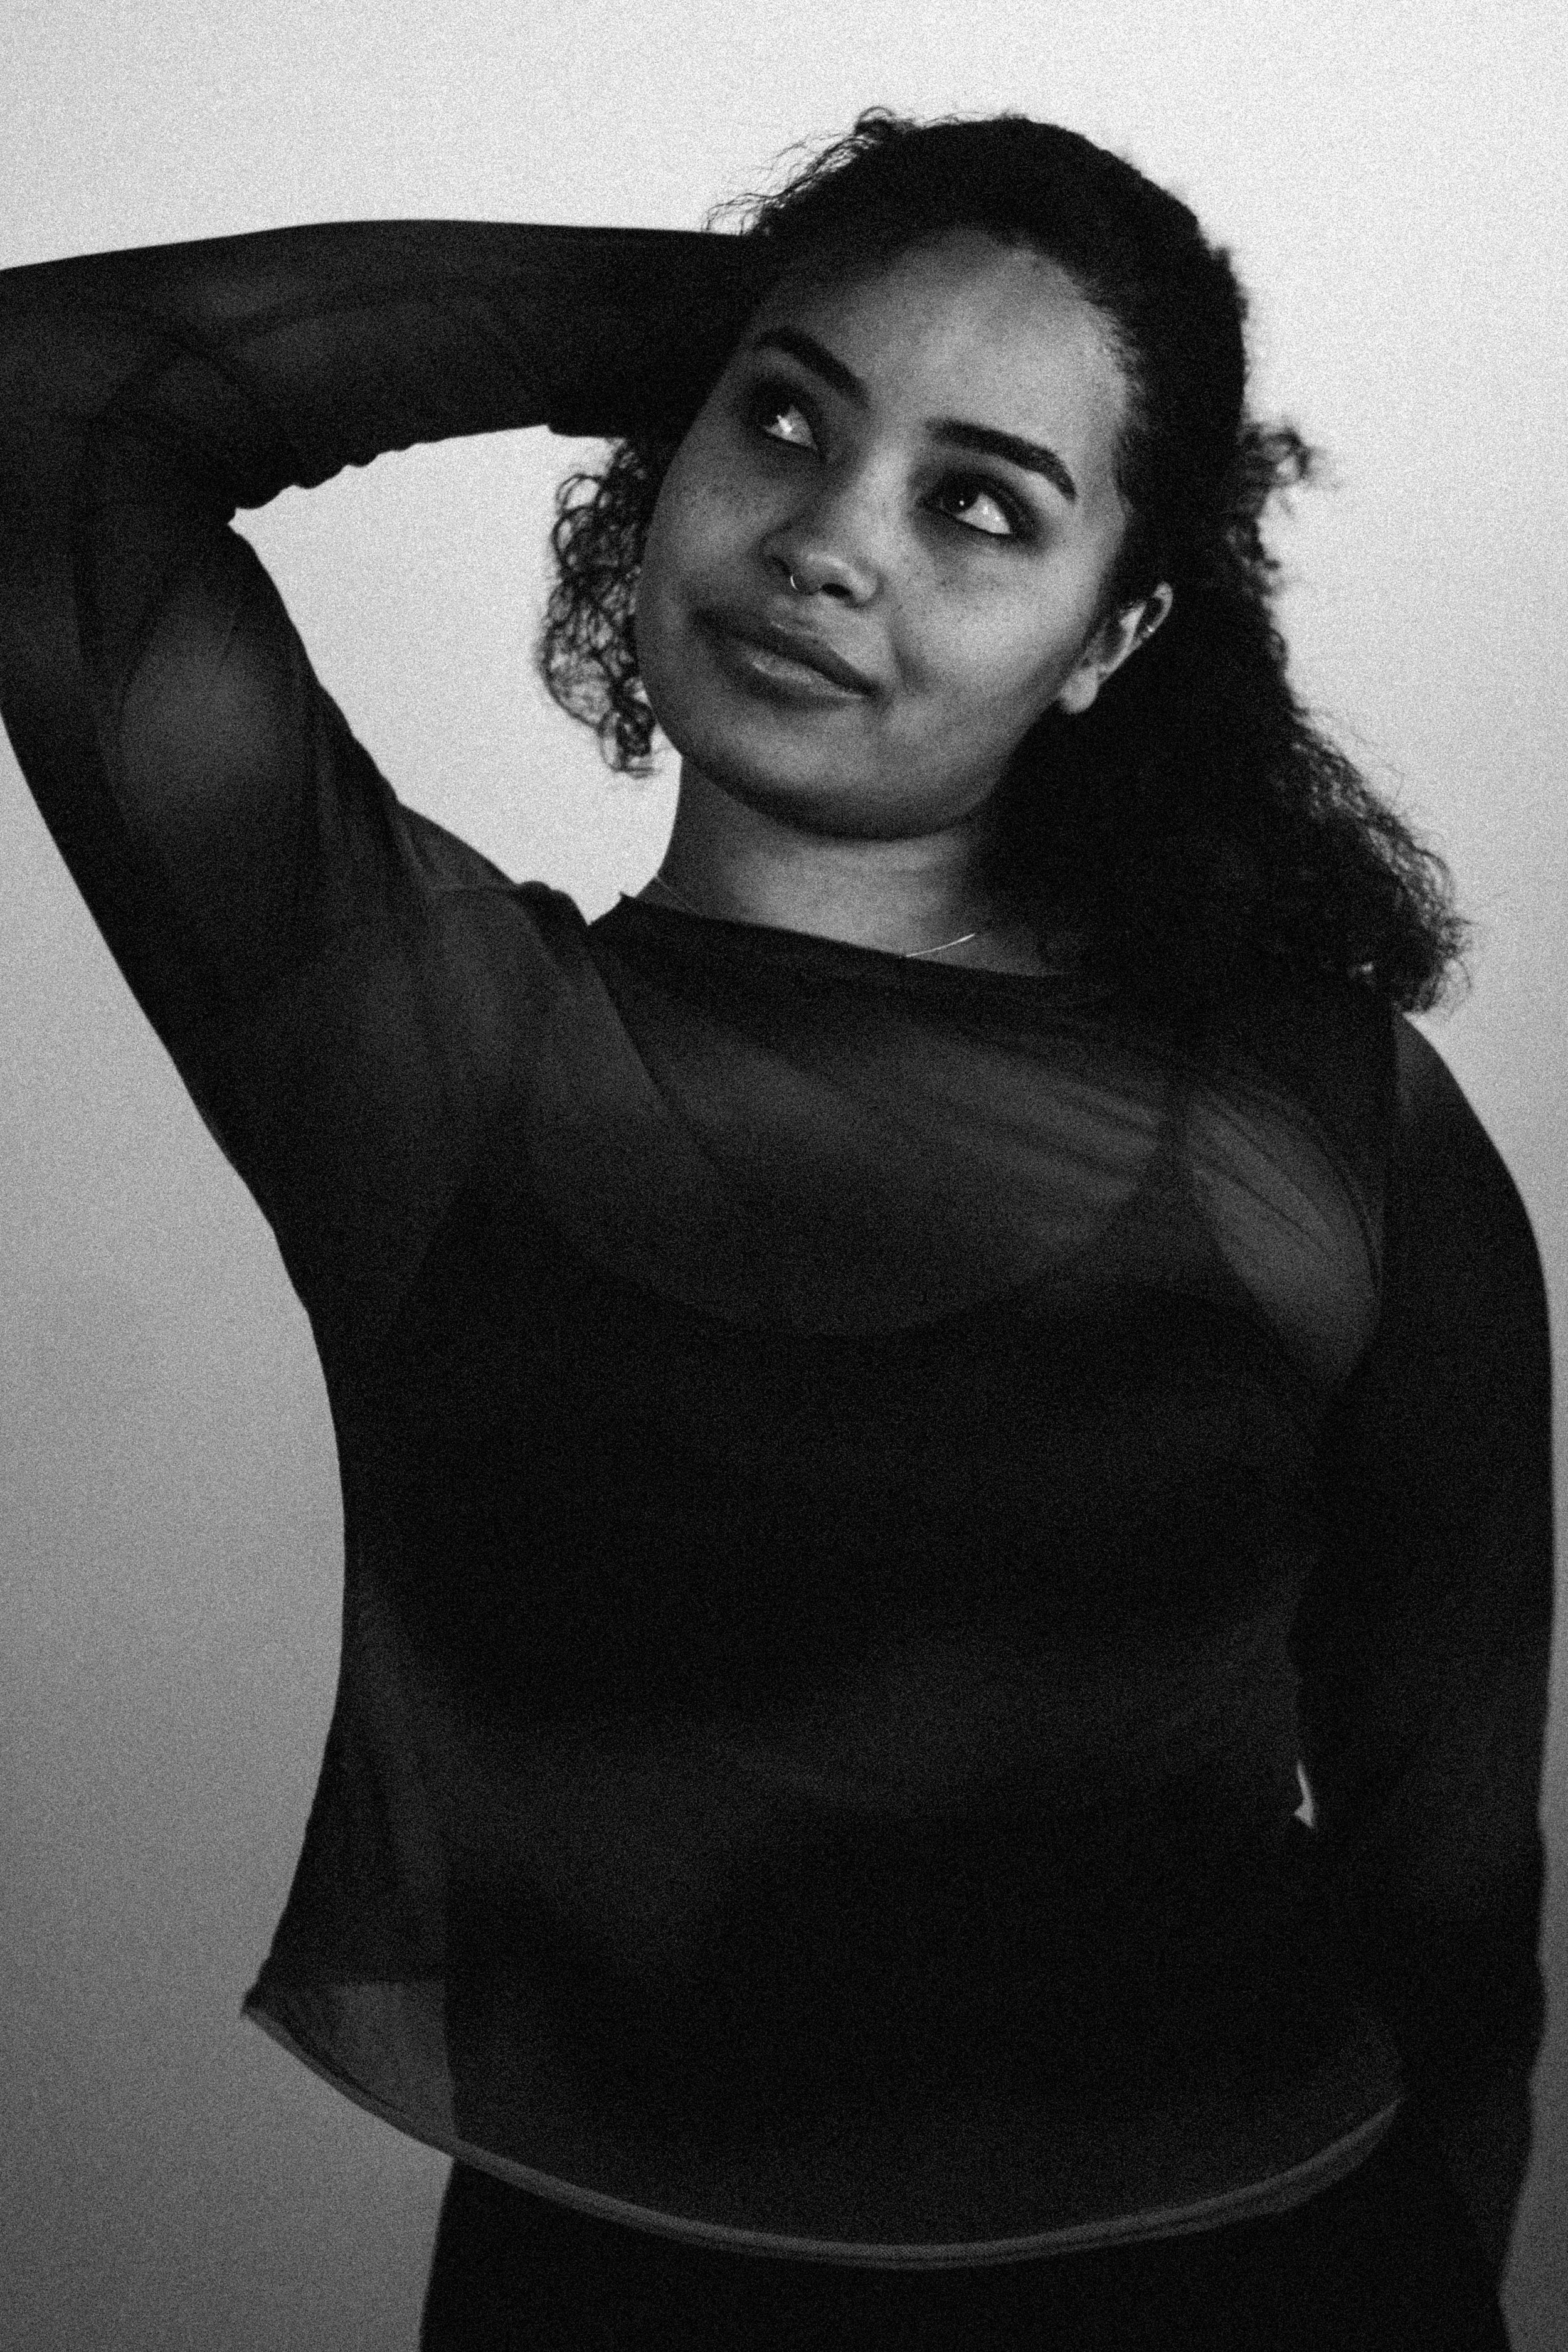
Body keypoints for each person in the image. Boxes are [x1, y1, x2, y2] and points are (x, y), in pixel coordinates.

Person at [0, 105, 1552, 2351]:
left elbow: (1450, 1857)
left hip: (1279, 2271)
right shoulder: (427, 1050)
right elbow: (47, 402)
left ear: (1114, 629)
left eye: (975, 503)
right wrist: (734, 306)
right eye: (786, 427)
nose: (831, 539)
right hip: (620, 2298)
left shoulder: (1318, 1116)